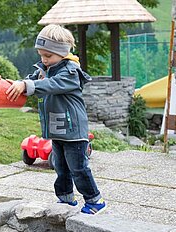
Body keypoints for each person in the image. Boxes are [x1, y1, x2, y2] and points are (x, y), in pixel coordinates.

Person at [6, 24, 106, 214]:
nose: (44, 60)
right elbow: (30, 80)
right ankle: (66, 199)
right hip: (57, 129)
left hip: (73, 130)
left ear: (62, 53)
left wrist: (27, 85)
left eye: (48, 56)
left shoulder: (70, 72)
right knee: (60, 166)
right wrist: (15, 85)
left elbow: (50, 84)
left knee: (78, 168)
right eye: (41, 55)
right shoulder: (44, 68)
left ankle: (95, 200)